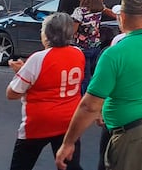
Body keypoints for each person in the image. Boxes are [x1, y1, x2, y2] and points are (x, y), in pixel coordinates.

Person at [55, 0, 142, 170]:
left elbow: (89, 106)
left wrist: (68, 142)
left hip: (137, 132)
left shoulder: (114, 53)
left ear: (122, 17)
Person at [6, 13, 85, 170]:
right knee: (70, 166)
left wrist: (20, 72)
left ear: (47, 34)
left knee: (21, 166)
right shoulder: (78, 53)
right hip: (69, 121)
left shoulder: (38, 58)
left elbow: (12, 93)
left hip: (39, 123)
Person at [71, 0, 105, 93]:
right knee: (94, 74)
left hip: (83, 48)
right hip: (96, 46)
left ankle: (84, 98)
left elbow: (73, 31)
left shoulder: (79, 11)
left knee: (84, 76)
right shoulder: (99, 8)